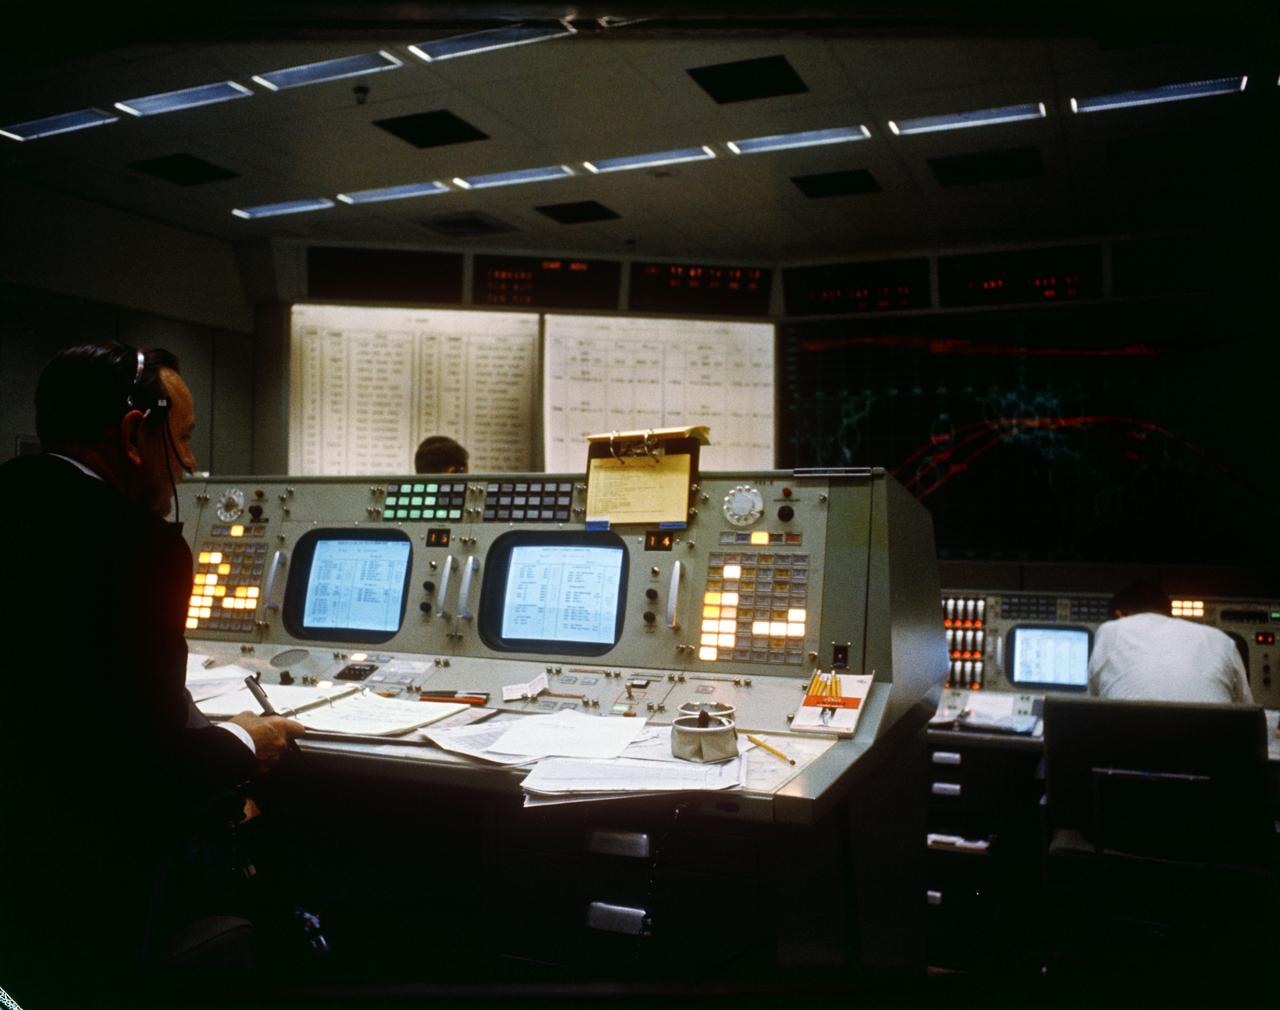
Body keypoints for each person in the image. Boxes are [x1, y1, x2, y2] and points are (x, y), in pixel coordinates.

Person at [0, 342, 305, 1001]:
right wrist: (249, 740)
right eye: (185, 440)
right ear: (136, 435)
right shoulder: (136, 545)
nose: (190, 464)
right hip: (89, 890)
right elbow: (156, 755)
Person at [1088, 581, 1252, 703]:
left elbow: (1093, 706)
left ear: (1119, 616)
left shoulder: (1111, 630)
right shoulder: (1221, 640)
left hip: (1131, 744)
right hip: (1211, 746)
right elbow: (1247, 711)